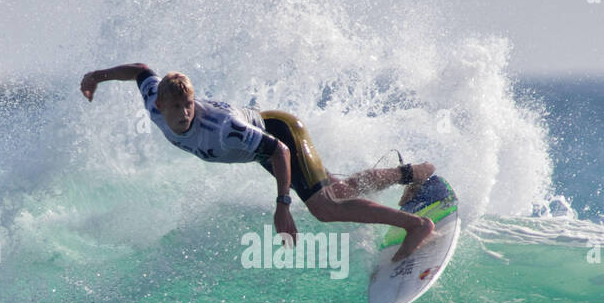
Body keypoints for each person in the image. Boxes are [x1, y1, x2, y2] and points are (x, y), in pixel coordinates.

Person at [79, 63, 436, 260]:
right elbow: (142, 70)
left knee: (325, 208)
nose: (184, 112)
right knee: (337, 191)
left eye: (188, 104)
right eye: (175, 107)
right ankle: (411, 173)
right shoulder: (154, 103)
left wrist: (282, 205)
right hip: (264, 137)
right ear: (159, 106)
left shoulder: (221, 130)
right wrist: (98, 76)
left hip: (279, 133)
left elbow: (279, 150)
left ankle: (416, 225)